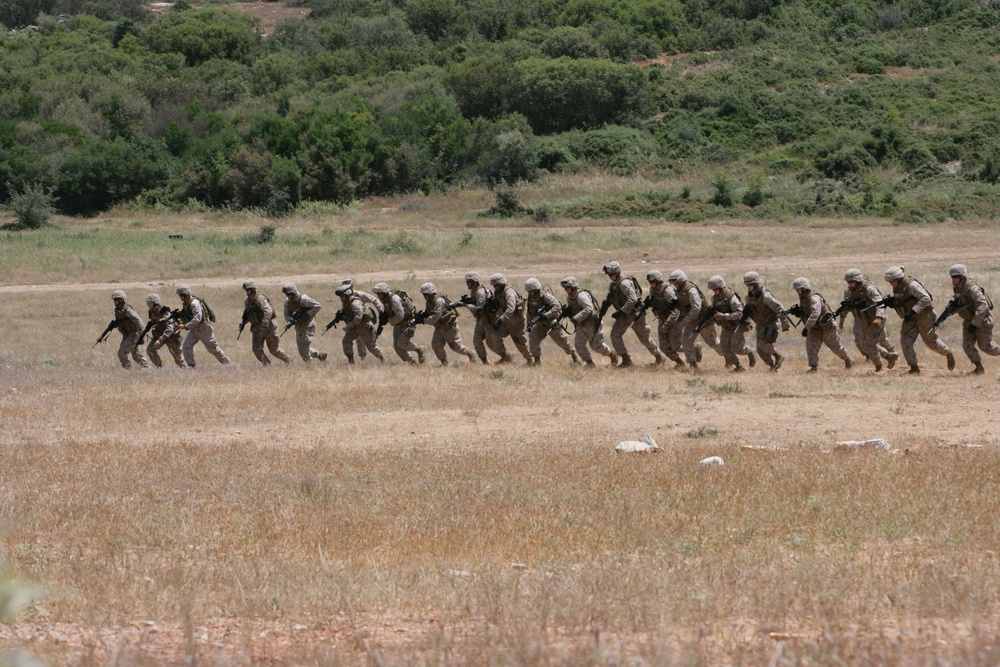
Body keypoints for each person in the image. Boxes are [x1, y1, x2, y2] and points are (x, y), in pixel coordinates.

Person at [884, 266, 954, 374]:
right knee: (905, 341)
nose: (890, 284)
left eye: (891, 282)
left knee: (931, 342)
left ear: (897, 279)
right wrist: (892, 302)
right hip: (910, 318)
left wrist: (913, 311)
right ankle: (914, 368)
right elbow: (903, 299)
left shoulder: (912, 285)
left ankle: (948, 353)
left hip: (924, 316)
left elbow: (926, 298)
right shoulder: (898, 287)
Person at [602, 261, 666, 367]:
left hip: (635, 315)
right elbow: (610, 298)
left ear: (617, 273)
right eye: (609, 275)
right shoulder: (613, 284)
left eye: (612, 274)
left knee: (644, 339)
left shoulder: (624, 283)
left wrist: (621, 311)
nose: (610, 277)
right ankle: (626, 360)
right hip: (624, 315)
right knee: (615, 334)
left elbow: (632, 299)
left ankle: (659, 356)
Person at [838, 269, 898, 372]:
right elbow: (846, 306)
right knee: (863, 343)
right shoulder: (849, 292)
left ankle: (879, 366)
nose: (850, 284)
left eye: (852, 282)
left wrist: (878, 317)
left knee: (871, 343)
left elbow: (880, 303)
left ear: (858, 280)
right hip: (863, 319)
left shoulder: (869, 289)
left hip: (876, 319)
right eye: (848, 282)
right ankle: (888, 356)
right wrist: (842, 319)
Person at [792, 277, 852, 372]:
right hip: (815, 328)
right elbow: (808, 313)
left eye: (797, 289)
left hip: (827, 327)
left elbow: (815, 314)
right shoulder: (803, 299)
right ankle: (813, 367)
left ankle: (848, 359)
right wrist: (799, 313)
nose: (796, 291)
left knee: (836, 347)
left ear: (804, 288)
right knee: (811, 346)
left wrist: (806, 327)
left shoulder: (814, 299)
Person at [948, 263, 999, 375]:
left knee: (985, 347)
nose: (953, 279)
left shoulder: (972, 288)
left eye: (955, 277)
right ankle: (979, 368)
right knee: (967, 345)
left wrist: (975, 323)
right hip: (969, 320)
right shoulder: (957, 288)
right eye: (952, 276)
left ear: (962, 277)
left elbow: (983, 306)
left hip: (983, 320)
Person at [668, 270, 719, 371]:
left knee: (713, 343)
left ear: (681, 281)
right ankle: (693, 365)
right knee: (686, 340)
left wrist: (684, 322)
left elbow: (696, 308)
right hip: (692, 320)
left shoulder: (691, 290)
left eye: (676, 283)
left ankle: (731, 358)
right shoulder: (678, 291)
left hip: (704, 320)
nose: (674, 285)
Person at [561, 277, 618, 367]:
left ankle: (612, 354)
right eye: (565, 288)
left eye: (567, 288)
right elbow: (575, 309)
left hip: (592, 324)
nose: (565, 290)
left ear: (573, 287)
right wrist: (567, 313)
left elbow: (589, 309)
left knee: (597, 346)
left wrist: (576, 318)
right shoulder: (570, 298)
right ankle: (589, 363)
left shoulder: (581, 296)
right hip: (581, 325)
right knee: (579, 344)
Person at [524, 278, 580, 365]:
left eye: (531, 291)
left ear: (536, 290)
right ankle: (537, 361)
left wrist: (546, 315)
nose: (530, 293)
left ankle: (574, 356)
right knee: (533, 337)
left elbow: (557, 306)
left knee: (562, 341)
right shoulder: (530, 299)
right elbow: (529, 311)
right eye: (529, 291)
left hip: (552, 323)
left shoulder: (545, 296)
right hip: (541, 324)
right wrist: (529, 323)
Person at [417, 282, 476, 365]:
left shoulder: (439, 301)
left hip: (449, 326)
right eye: (424, 295)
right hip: (439, 326)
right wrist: (421, 317)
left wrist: (423, 321)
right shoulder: (428, 302)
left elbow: (435, 317)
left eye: (428, 295)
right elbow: (430, 313)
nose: (426, 297)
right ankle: (444, 363)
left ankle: (470, 353)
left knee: (456, 347)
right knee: (436, 345)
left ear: (433, 293)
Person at [742, 272, 791, 371]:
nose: (748, 287)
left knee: (762, 344)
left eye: (750, 285)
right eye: (747, 285)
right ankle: (772, 366)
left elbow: (779, 308)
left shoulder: (766, 297)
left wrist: (785, 323)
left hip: (771, 323)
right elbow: (749, 313)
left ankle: (778, 356)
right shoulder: (748, 298)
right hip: (761, 325)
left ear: (755, 285)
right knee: (760, 350)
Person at [707, 275, 756, 372]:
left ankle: (750, 351)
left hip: (737, 325)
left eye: (716, 289)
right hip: (726, 326)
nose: (714, 291)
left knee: (736, 347)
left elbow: (739, 313)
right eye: (713, 289)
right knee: (724, 347)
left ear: (721, 287)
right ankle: (738, 366)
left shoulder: (731, 297)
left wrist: (724, 316)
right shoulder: (714, 298)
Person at [176, 285, 230, 367]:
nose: (180, 297)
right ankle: (191, 366)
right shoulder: (186, 303)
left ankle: (227, 363)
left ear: (185, 295)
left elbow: (197, 319)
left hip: (204, 329)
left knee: (212, 349)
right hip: (195, 329)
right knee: (186, 346)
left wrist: (185, 326)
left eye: (180, 295)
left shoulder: (194, 304)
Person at [372, 282, 426, 364]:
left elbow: (400, 315)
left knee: (401, 343)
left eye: (380, 294)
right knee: (397, 347)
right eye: (378, 294)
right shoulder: (385, 300)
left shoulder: (394, 299)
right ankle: (412, 363)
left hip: (408, 322)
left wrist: (388, 320)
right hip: (398, 323)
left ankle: (419, 349)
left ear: (385, 293)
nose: (379, 297)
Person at [241, 280, 290, 366]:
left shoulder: (260, 299)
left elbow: (268, 311)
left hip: (268, 326)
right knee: (256, 349)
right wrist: (244, 322)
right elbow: (249, 313)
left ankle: (288, 360)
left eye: (248, 289)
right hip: (256, 328)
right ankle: (267, 365)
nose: (246, 291)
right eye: (245, 290)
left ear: (253, 289)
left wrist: (264, 324)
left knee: (274, 350)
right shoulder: (247, 301)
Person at [488, 273, 532, 364]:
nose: (495, 287)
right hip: (505, 323)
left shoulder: (509, 293)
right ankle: (505, 356)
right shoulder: (497, 293)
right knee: (495, 336)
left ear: (502, 284)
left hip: (517, 323)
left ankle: (530, 360)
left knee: (520, 343)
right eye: (494, 285)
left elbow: (510, 309)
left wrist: (500, 320)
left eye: (497, 285)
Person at [335, 284, 385, 364]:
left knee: (371, 347)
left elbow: (358, 317)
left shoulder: (355, 304)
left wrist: (348, 326)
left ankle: (383, 359)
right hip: (355, 328)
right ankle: (351, 362)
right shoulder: (346, 303)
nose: (341, 298)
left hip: (364, 327)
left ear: (347, 295)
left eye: (342, 296)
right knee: (346, 341)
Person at [645, 271, 684, 369]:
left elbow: (676, 309)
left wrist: (668, 322)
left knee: (676, 346)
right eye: (650, 282)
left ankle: (694, 348)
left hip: (673, 321)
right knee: (663, 347)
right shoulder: (652, 290)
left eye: (652, 282)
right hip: (662, 320)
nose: (651, 284)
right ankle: (679, 362)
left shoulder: (668, 291)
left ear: (658, 281)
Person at [281, 283, 327, 363]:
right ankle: (320, 355)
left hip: (308, 325)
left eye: (290, 294)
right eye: (287, 295)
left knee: (303, 347)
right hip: (298, 326)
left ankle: (309, 366)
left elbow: (317, 306)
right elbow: (286, 314)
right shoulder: (287, 302)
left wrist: (306, 315)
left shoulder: (303, 299)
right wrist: (290, 320)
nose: (288, 296)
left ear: (294, 292)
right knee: (301, 349)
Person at [110, 290, 151, 369]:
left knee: (121, 352)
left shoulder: (128, 310)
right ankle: (148, 368)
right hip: (128, 334)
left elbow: (139, 321)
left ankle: (128, 369)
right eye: (114, 300)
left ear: (121, 300)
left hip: (134, 334)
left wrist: (141, 336)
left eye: (116, 299)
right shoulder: (119, 310)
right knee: (136, 355)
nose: (114, 301)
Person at [144, 293, 186, 368]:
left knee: (177, 357)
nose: (149, 306)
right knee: (150, 350)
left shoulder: (165, 313)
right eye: (148, 304)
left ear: (156, 304)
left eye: (150, 304)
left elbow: (169, 329)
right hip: (159, 334)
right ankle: (159, 367)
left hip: (170, 337)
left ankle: (186, 369)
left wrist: (160, 340)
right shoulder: (152, 313)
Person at [463, 272, 496, 364]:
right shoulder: (474, 290)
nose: (467, 284)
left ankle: (506, 356)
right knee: (477, 341)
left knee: (491, 344)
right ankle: (485, 362)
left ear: (474, 282)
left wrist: (466, 305)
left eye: (468, 282)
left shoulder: (480, 292)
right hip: (480, 320)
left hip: (487, 320)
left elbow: (479, 309)